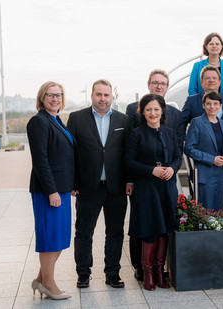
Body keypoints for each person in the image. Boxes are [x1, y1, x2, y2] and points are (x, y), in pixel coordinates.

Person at [67, 79, 131, 289]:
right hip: (87, 186)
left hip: (116, 186)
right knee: (84, 232)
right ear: (92, 96)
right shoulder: (76, 119)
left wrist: (130, 180)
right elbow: (71, 155)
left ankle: (112, 273)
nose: (102, 99)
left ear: (112, 96)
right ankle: (83, 274)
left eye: (106, 95)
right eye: (99, 95)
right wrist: (73, 182)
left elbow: (128, 154)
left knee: (115, 232)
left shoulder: (124, 119)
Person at [125, 69, 185, 282]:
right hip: (147, 186)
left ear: (162, 112)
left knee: (165, 228)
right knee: (149, 228)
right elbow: (129, 161)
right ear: (143, 112)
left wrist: (172, 168)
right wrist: (151, 170)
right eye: (148, 110)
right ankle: (147, 272)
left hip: (166, 185)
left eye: (156, 110)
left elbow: (178, 156)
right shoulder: (136, 134)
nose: (153, 113)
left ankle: (160, 272)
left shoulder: (169, 131)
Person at [27, 81, 74, 300]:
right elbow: (40, 160)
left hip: (61, 189)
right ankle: (49, 283)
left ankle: (40, 280)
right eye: (50, 95)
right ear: (42, 98)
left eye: (58, 95)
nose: (55, 99)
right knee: (50, 239)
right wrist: (51, 191)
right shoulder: (39, 122)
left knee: (60, 238)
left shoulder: (56, 120)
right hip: (49, 192)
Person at [184, 91, 223, 210]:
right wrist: (212, 159)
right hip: (205, 172)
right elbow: (189, 149)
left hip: (221, 173)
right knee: (206, 211)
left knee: (218, 210)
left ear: (220, 106)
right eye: (208, 104)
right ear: (203, 105)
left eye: (215, 103)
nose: (212, 107)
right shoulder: (197, 122)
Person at [182, 66, 223, 137]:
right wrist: (183, 140)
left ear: (219, 82)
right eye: (207, 78)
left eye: (214, 78)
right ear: (201, 82)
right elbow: (181, 124)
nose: (211, 80)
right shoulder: (191, 101)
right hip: (199, 146)